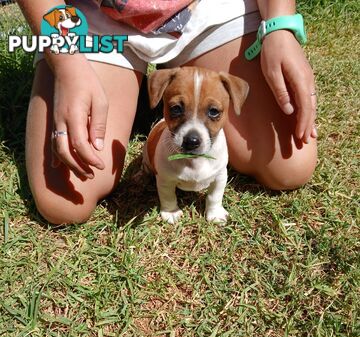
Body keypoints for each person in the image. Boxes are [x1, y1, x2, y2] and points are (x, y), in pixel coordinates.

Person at [17, 0, 317, 225]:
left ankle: (164, 84)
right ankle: (141, 85)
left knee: (289, 166)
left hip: (208, 9)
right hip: (92, 18)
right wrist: (67, 63)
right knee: (66, 201)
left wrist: (280, 25)